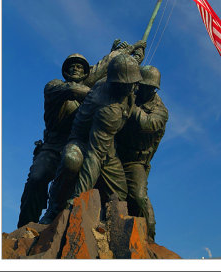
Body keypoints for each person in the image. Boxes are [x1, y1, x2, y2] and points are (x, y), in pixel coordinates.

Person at [17, 40, 146, 228]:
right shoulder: (54, 86)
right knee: (37, 178)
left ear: (86, 72)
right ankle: (27, 226)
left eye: (80, 66)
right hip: (54, 146)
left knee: (91, 171)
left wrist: (125, 55)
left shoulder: (96, 86)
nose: (76, 68)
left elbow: (107, 69)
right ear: (65, 71)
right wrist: (103, 94)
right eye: (72, 66)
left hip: (85, 144)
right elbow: (74, 89)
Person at [115, 65, 168, 241]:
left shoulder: (160, 110)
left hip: (135, 161)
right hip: (115, 152)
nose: (144, 90)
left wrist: (129, 101)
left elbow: (148, 124)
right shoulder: (132, 93)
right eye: (141, 85)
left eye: (149, 87)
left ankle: (148, 238)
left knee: (138, 197)